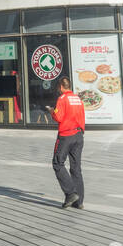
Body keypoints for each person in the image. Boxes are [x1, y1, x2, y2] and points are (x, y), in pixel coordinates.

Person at [49, 75, 85, 209]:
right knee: (76, 168)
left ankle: (70, 193)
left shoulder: (62, 99)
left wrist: (52, 112)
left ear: (60, 87)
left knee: (57, 163)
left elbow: (59, 117)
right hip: (79, 135)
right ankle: (79, 201)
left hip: (66, 135)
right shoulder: (78, 99)